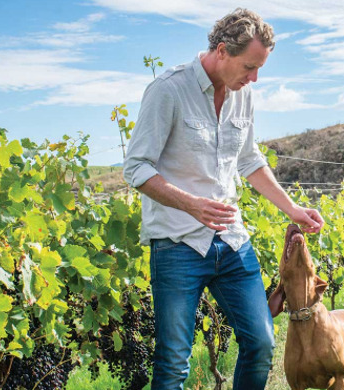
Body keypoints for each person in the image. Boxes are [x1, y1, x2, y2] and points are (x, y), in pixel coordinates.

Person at [123, 8, 325, 390]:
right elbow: (137, 168)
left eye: (259, 68)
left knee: (261, 342)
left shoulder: (242, 95)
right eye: (249, 66)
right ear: (221, 51)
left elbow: (249, 161)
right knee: (172, 364)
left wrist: (293, 209)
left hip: (232, 241)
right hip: (178, 242)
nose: (254, 78)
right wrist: (191, 204)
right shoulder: (168, 90)